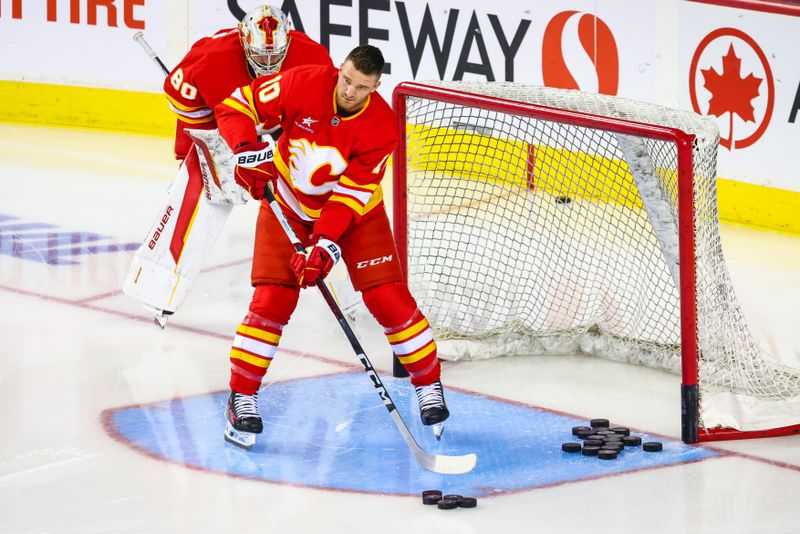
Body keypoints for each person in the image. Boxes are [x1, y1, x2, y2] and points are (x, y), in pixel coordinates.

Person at [214, 45, 450, 450]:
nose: (351, 92)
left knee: (388, 298)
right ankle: (242, 396)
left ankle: (429, 385)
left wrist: (324, 246)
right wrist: (246, 152)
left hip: (357, 215)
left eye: (363, 87)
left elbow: (348, 197)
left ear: (376, 87)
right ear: (340, 69)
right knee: (272, 301)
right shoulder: (301, 82)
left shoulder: (381, 126)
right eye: (347, 80)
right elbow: (235, 106)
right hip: (287, 201)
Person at [123, 5, 332, 328]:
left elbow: (320, 113)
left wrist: (287, 144)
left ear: (289, 42)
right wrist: (212, 150)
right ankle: (156, 287)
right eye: (259, 57)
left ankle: (349, 287)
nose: (267, 64)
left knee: (316, 187)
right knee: (207, 193)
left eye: (274, 55)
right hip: (223, 121)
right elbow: (184, 106)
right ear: (242, 40)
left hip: (279, 119)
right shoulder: (211, 59)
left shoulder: (313, 57)